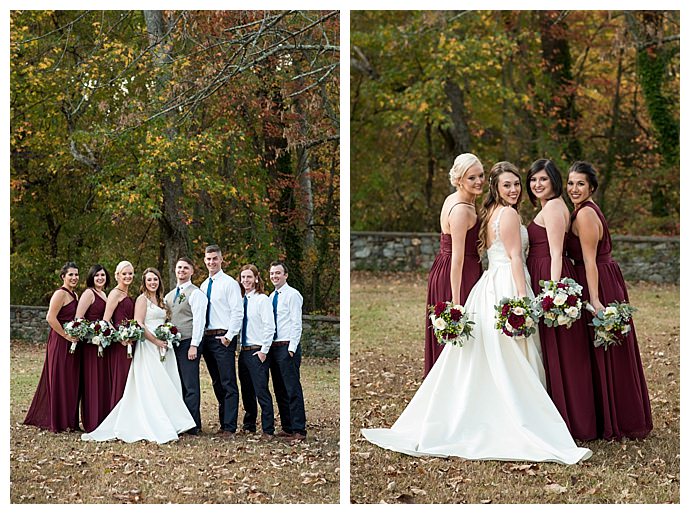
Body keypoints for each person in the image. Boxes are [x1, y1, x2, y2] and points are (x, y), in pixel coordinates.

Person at [361, 162, 592, 464]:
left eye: (516, 184)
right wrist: (522, 298)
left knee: (494, 354)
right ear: (496, 188)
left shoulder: (490, 213)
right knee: (514, 354)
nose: (514, 189)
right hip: (507, 283)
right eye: (507, 185)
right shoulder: (507, 213)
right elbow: (512, 258)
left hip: (489, 284)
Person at [565, 161, 653, 440]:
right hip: (603, 277)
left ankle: (619, 418)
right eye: (570, 183)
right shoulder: (583, 210)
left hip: (598, 282)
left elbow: (589, 261)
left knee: (605, 350)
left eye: (580, 183)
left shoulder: (584, 216)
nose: (574, 189)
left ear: (591, 186)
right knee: (602, 352)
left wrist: (595, 300)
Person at [525, 159, 597, 441]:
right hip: (541, 272)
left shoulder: (554, 207)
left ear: (553, 181)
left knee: (564, 353)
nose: (537, 184)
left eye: (543, 179)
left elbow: (557, 252)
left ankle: (575, 422)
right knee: (554, 352)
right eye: (533, 180)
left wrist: (552, 293)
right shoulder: (547, 206)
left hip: (551, 275)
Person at [82, 267, 196, 443]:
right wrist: (157, 341)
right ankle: (155, 424)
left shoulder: (162, 300)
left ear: (159, 281)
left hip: (164, 347)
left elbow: (165, 321)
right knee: (151, 383)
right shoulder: (141, 300)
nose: (152, 282)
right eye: (149, 280)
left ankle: (172, 420)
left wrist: (167, 334)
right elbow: (140, 324)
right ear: (144, 282)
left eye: (155, 279)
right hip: (148, 346)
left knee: (166, 383)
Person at [424, 153, 485, 377]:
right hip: (457, 272)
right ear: (459, 179)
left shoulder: (457, 199)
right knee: (456, 332)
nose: (478, 181)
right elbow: (458, 256)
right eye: (472, 178)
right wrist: (457, 302)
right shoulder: (461, 209)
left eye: (480, 175)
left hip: (450, 265)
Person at [24, 262, 82, 432]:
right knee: (60, 377)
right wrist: (65, 335)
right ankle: (58, 420)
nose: (74, 278)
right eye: (70, 274)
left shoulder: (75, 295)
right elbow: (51, 317)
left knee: (70, 380)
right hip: (60, 341)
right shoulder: (60, 294)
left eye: (76, 274)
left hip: (73, 342)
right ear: (63, 276)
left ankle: (70, 420)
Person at [200, 245, 243, 437]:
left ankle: (230, 426)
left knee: (228, 382)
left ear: (221, 259)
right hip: (207, 338)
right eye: (208, 259)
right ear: (205, 261)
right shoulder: (203, 285)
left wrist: (229, 336)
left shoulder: (229, 283)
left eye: (215, 258)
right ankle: (223, 423)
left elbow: (237, 311)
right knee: (216, 382)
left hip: (223, 338)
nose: (211, 262)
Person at [164, 257, 207, 435]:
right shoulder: (169, 295)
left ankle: (193, 424)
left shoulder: (196, 293)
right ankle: (180, 421)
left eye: (185, 268)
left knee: (190, 385)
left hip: (189, 342)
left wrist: (194, 345)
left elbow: (199, 321)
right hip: (173, 344)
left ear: (191, 271)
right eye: (179, 267)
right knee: (177, 383)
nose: (181, 270)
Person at [268, 261, 307, 442]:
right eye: (272, 273)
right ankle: (287, 426)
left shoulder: (293, 295)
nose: (274, 276)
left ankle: (299, 429)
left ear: (286, 275)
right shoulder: (270, 297)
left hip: (286, 347)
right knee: (279, 389)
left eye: (278, 273)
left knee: (292, 388)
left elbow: (296, 323)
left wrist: (291, 348)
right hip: (273, 347)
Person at [237, 264, 276, 438]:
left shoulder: (262, 300)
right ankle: (249, 424)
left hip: (257, 351)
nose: (246, 280)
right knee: (246, 391)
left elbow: (269, 326)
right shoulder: (240, 300)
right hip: (243, 351)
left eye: (249, 277)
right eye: (243, 277)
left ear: (256, 279)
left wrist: (264, 351)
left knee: (261, 390)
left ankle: (268, 429)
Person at [75, 264, 112, 432]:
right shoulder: (89, 293)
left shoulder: (104, 294)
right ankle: (92, 421)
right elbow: (79, 318)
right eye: (97, 275)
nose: (100, 278)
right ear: (91, 277)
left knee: (102, 381)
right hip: (91, 346)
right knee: (92, 381)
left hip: (103, 344)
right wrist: (94, 332)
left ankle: (103, 418)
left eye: (103, 275)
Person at [103, 260, 135, 411]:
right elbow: (106, 320)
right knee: (122, 378)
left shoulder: (127, 293)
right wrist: (119, 337)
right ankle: (118, 413)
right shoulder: (115, 293)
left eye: (130, 273)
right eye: (124, 274)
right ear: (117, 276)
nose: (127, 276)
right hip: (120, 344)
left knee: (130, 378)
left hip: (131, 341)